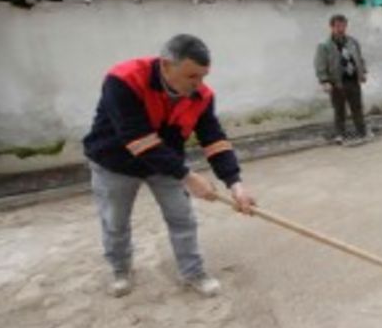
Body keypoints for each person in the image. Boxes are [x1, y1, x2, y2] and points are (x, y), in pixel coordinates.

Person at [83, 34, 256, 298]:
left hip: (165, 164)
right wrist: (188, 176)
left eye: (203, 76)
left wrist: (235, 183)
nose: (199, 84)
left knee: (182, 219)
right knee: (115, 221)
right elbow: (137, 137)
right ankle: (120, 269)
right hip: (114, 162)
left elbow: (214, 139)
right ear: (165, 65)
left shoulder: (202, 95)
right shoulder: (124, 79)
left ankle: (193, 272)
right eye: (192, 76)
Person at [314, 14, 370, 144]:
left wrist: (363, 73)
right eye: (338, 26)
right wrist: (324, 81)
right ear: (332, 27)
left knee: (357, 107)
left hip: (352, 80)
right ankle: (340, 134)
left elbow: (359, 58)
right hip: (336, 83)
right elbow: (320, 64)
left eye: (343, 25)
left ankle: (361, 131)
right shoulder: (324, 45)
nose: (341, 28)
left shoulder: (352, 42)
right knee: (339, 109)